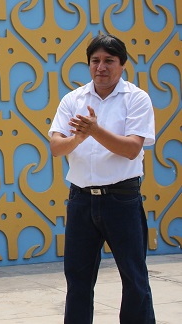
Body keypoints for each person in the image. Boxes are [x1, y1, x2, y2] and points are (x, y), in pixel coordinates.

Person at [49, 34, 156, 324]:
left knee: (134, 277)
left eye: (109, 61)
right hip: (81, 200)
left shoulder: (136, 98)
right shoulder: (73, 99)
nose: (101, 67)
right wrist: (79, 137)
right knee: (78, 279)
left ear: (122, 65)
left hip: (122, 199)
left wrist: (94, 131)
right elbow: (57, 148)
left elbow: (133, 149)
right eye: (95, 61)